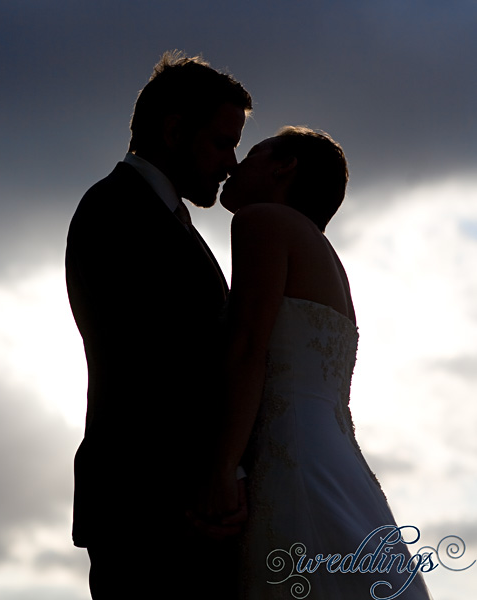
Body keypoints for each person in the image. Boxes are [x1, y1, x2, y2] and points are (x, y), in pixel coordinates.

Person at [206, 126, 432, 598]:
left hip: (287, 457)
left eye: (249, 154)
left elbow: (248, 348)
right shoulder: (325, 256)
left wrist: (223, 467)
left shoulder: (262, 221)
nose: (232, 165)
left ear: (283, 166)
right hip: (335, 457)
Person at [65, 51, 251, 598]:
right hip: (153, 508)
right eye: (222, 143)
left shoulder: (160, 216)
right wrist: (219, 477)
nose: (232, 163)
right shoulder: (116, 211)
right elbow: (154, 364)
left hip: (170, 506)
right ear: (174, 131)